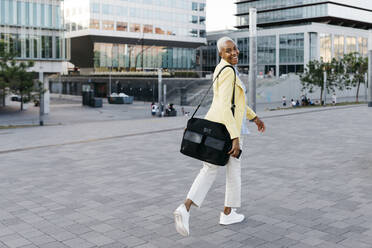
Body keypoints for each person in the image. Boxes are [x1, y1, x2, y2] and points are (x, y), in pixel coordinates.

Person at [173, 36, 266, 237]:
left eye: (235, 49)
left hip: (220, 127)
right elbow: (225, 106)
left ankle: (210, 210)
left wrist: (254, 117)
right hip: (226, 130)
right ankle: (201, 209)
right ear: (221, 54)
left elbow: (236, 102)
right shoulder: (228, 72)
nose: (234, 53)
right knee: (230, 171)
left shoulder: (223, 68)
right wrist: (235, 137)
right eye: (228, 51)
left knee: (211, 169)